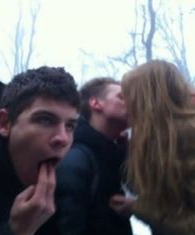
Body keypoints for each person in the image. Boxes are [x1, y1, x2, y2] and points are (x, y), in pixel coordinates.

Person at [0, 66, 80, 235]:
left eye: (70, 126)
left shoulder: (56, 180)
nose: (62, 139)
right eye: (45, 120)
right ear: (4, 123)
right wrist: (16, 231)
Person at [110, 60, 195, 235]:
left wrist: (139, 208)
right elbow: (158, 190)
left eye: (127, 97)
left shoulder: (192, 136)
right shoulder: (159, 137)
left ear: (145, 99)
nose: (125, 106)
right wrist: (128, 152)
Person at [44, 77, 133, 235]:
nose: (131, 102)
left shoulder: (111, 155)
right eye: (121, 97)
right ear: (96, 104)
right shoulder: (77, 158)